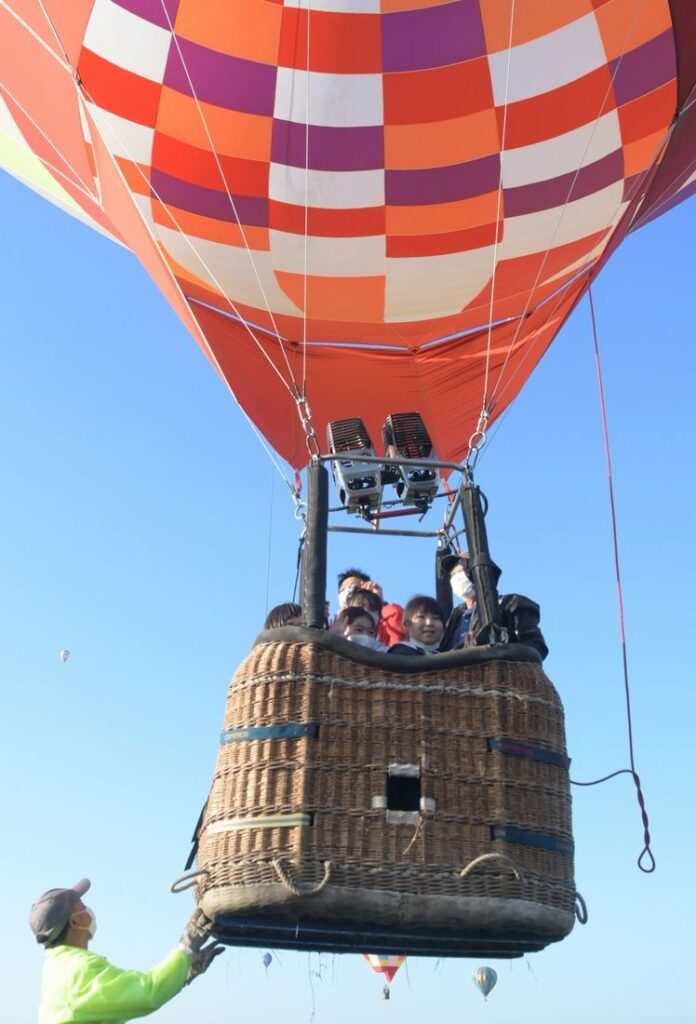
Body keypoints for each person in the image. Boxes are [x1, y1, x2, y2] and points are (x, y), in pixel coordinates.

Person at [30, 878, 223, 1024]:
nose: (88, 908)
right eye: (82, 905)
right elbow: (149, 992)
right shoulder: (80, 969)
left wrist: (182, 974)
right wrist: (187, 946)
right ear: (75, 921)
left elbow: (134, 996)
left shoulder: (57, 966)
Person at [439, 552, 548, 659]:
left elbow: (535, 648)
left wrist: (488, 652)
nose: (457, 578)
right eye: (453, 574)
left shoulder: (510, 604)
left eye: (461, 571)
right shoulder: (453, 620)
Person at [336, 568, 406, 646]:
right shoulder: (332, 625)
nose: (348, 591)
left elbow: (399, 634)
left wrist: (380, 603)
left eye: (354, 588)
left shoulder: (385, 626)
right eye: (343, 589)